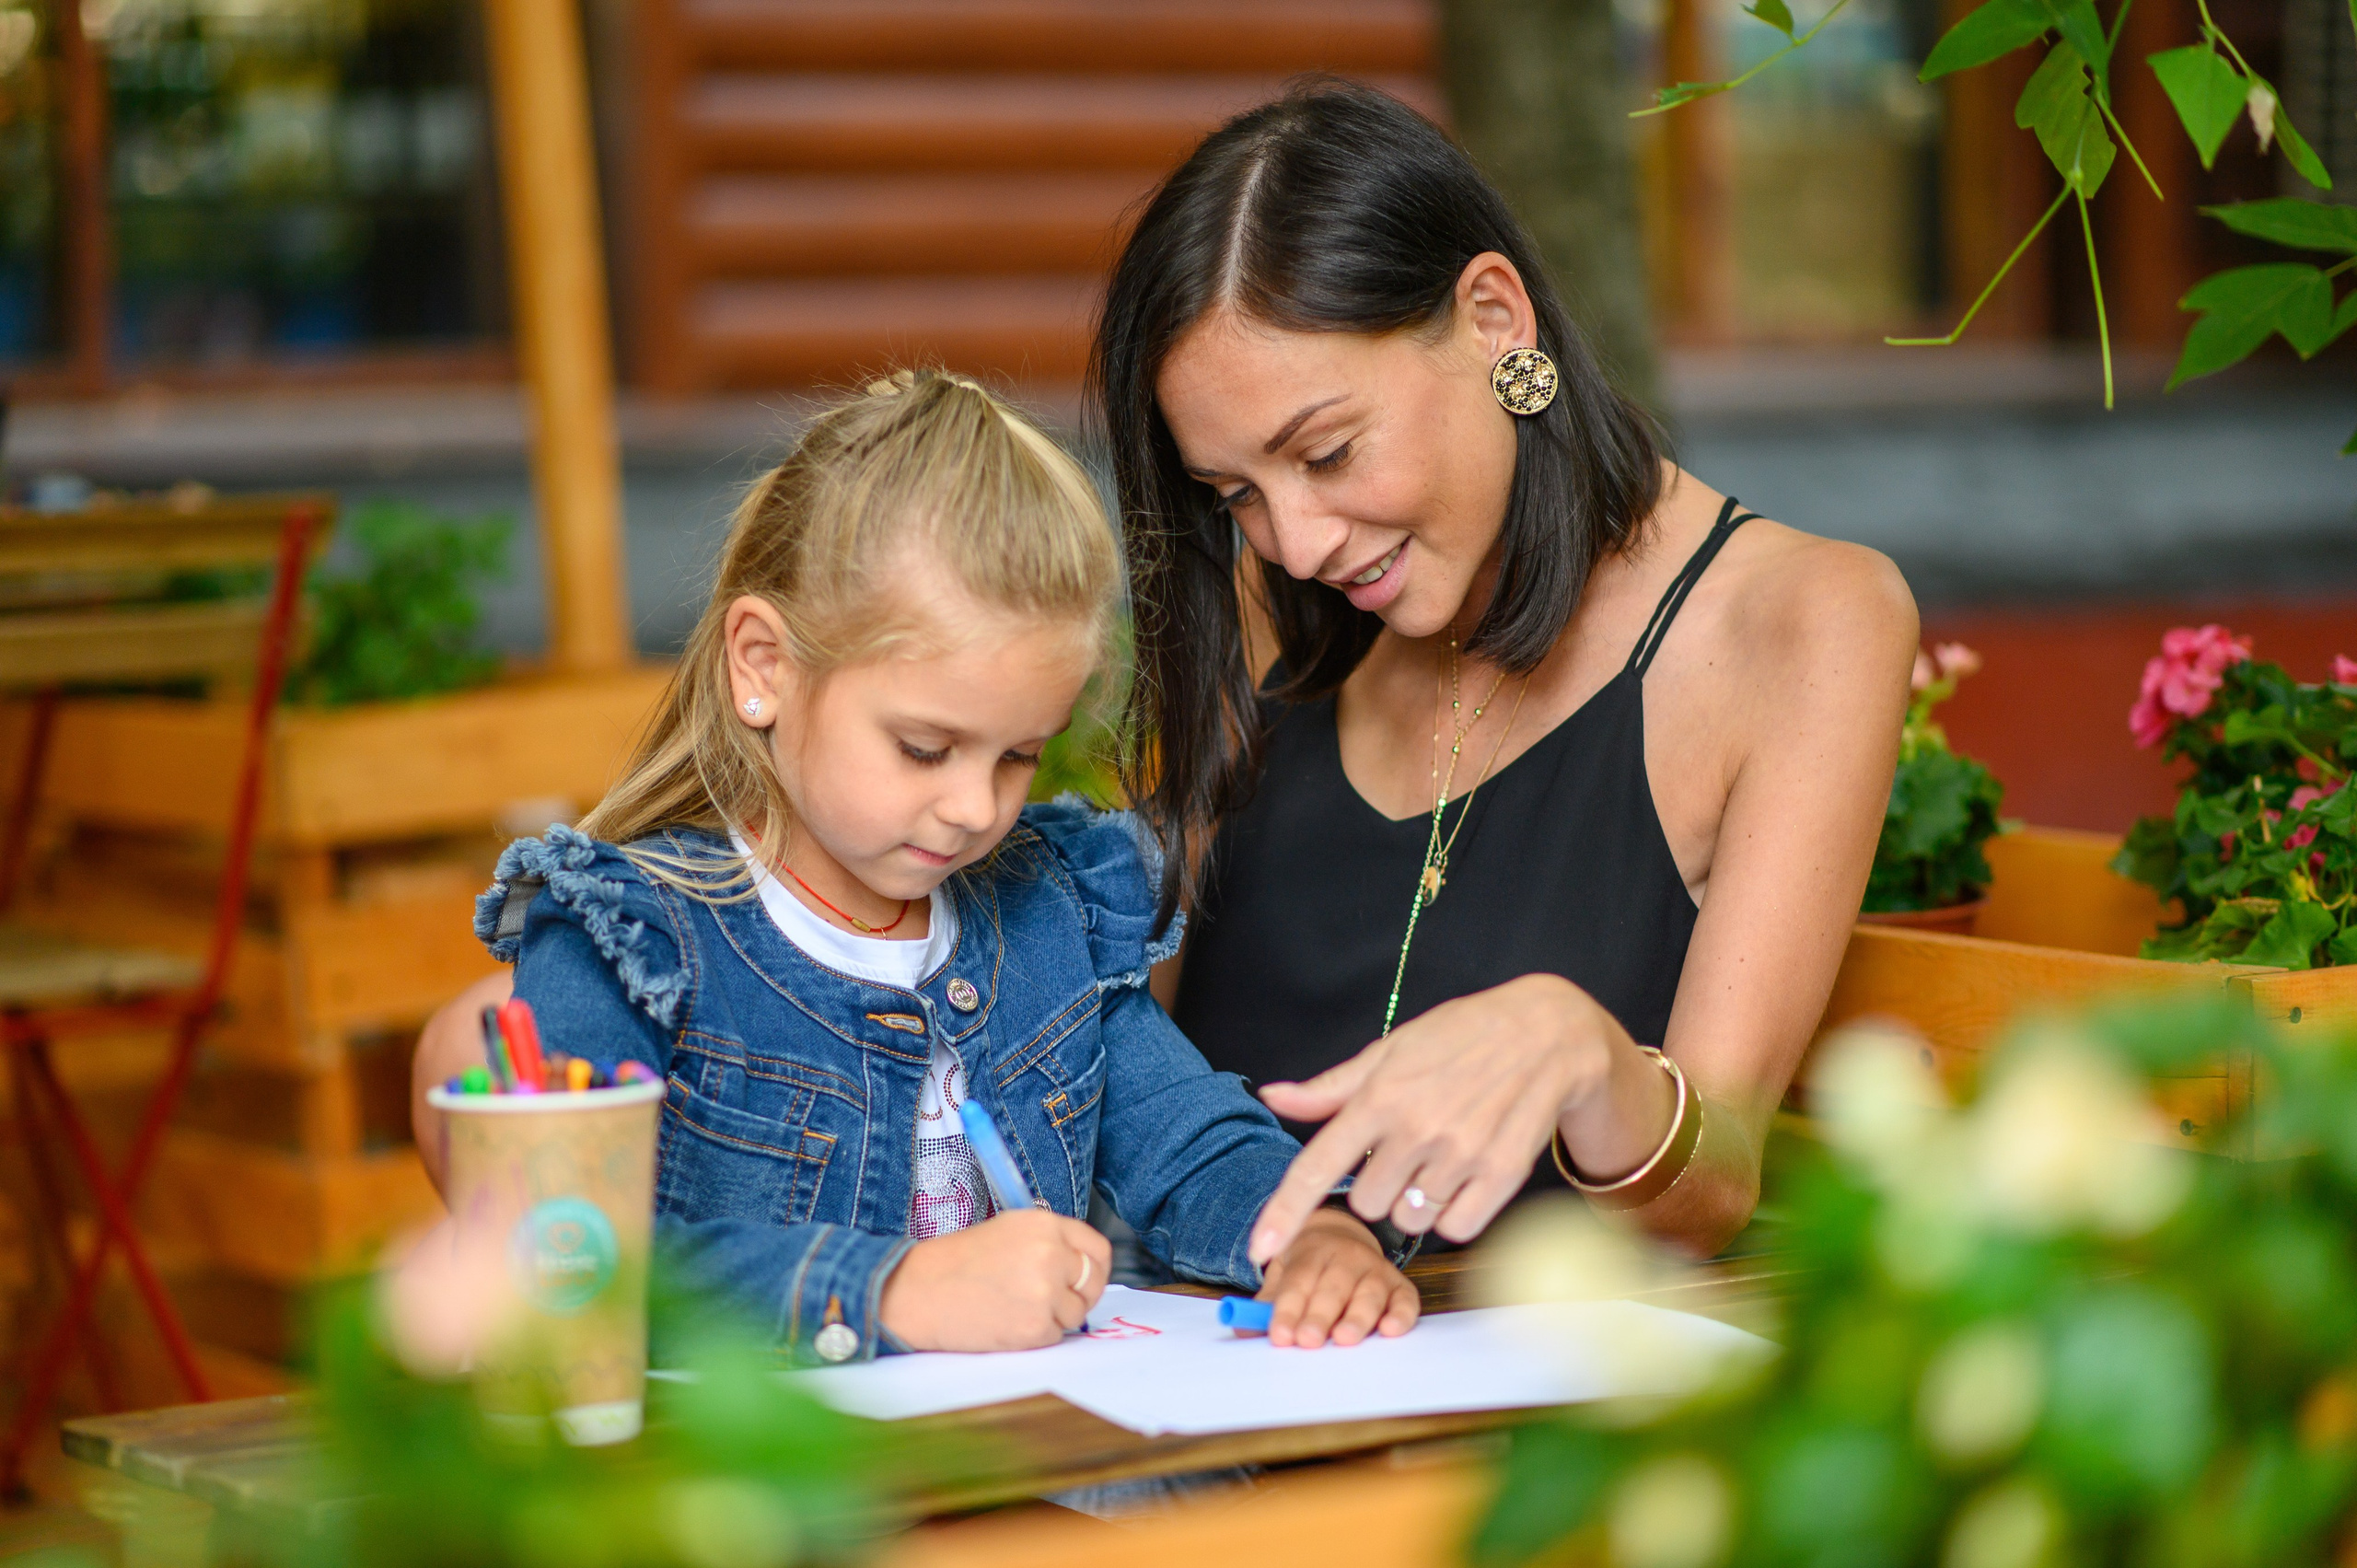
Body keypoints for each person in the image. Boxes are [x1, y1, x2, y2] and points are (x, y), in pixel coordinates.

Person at [1095, 82, 1918, 1266]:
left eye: (1327, 452)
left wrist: (1582, 1050)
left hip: (1508, 1416)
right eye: (1235, 496)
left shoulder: (1799, 622)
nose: (1298, 540)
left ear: (1492, 320)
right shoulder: (1275, 600)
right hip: (1192, 1361)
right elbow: (1136, 1052)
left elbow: (1714, 1183)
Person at [446, 371, 1417, 1361]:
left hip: (1026, 1463)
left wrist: (1309, 1232)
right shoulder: (632, 938)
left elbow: (1187, 1139)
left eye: (1017, 755)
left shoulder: (1049, 911)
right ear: (763, 666)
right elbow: (571, 1264)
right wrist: (889, 1290)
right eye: (923, 746)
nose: (975, 807)